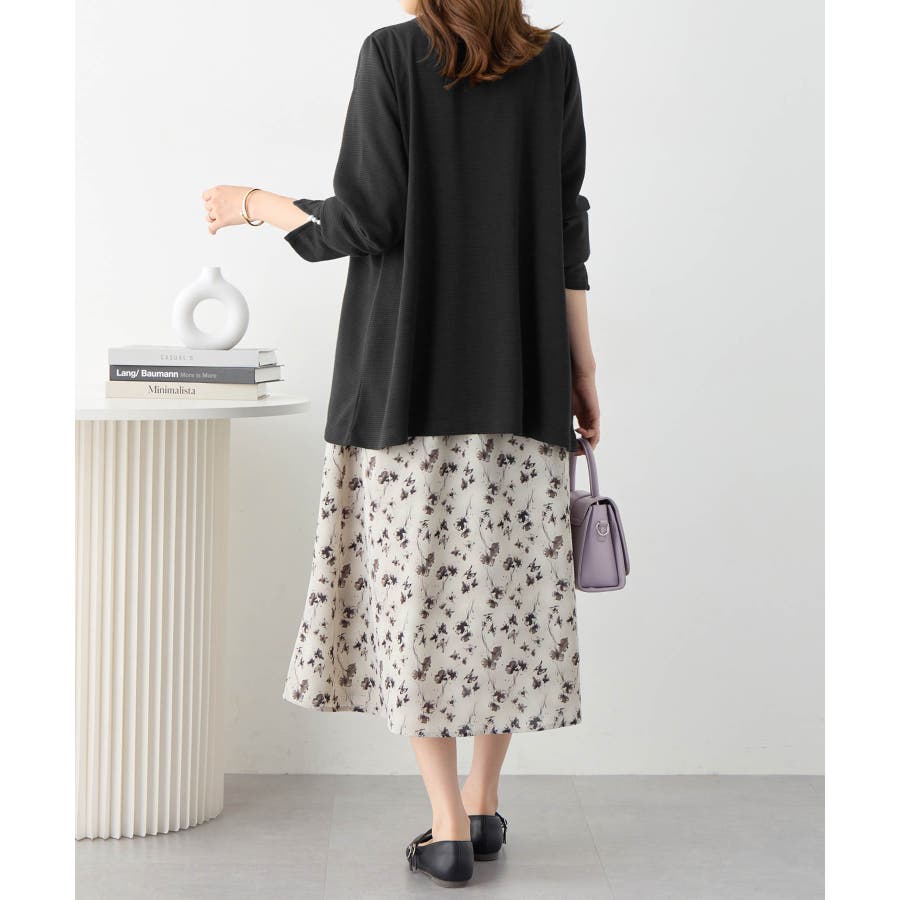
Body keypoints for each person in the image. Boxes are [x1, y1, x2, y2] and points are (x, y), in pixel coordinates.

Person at [201, 0, 598, 888]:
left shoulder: (391, 54)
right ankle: (485, 807)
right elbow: (566, 224)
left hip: (406, 394)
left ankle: (446, 825)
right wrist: (582, 367)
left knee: (418, 603)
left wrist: (256, 205)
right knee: (503, 605)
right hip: (525, 384)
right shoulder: (551, 63)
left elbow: (367, 220)